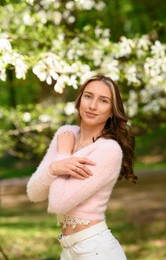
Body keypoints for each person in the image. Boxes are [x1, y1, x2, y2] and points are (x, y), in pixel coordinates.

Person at [27, 75, 137, 260]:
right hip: (67, 250)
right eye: (88, 96)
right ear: (79, 100)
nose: (93, 106)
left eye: (103, 101)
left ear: (112, 110)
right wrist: (55, 168)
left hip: (96, 250)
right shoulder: (65, 134)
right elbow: (33, 192)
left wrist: (63, 155)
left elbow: (58, 203)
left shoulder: (108, 150)